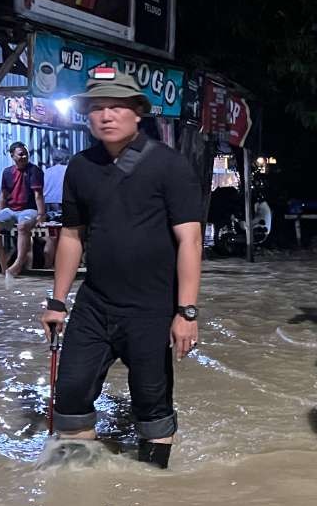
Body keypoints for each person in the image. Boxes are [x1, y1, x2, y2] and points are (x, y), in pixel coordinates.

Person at [39, 69, 203, 470]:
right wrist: (57, 302)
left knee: (151, 402)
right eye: (97, 108)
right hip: (95, 302)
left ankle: (153, 491)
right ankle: (76, 497)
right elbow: (72, 238)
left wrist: (186, 312)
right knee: (71, 391)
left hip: (150, 307)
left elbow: (190, 240)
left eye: (116, 107)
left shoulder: (169, 165)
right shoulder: (80, 168)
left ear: (138, 113)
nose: (106, 116)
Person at [0, 141, 44, 276]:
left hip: (29, 209)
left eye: (26, 154)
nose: (24, 157)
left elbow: (38, 194)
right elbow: (3, 196)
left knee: (22, 226)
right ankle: (3, 262)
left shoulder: (34, 171)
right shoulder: (7, 172)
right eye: (21, 154)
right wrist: (0, 214)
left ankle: (18, 263)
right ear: (12, 155)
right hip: (11, 210)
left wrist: (41, 214)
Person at [42, 147, 71, 268]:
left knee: (51, 237)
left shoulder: (46, 172)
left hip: (49, 208)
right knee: (69, 238)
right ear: (67, 158)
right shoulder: (69, 170)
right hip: (66, 207)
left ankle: (48, 267)